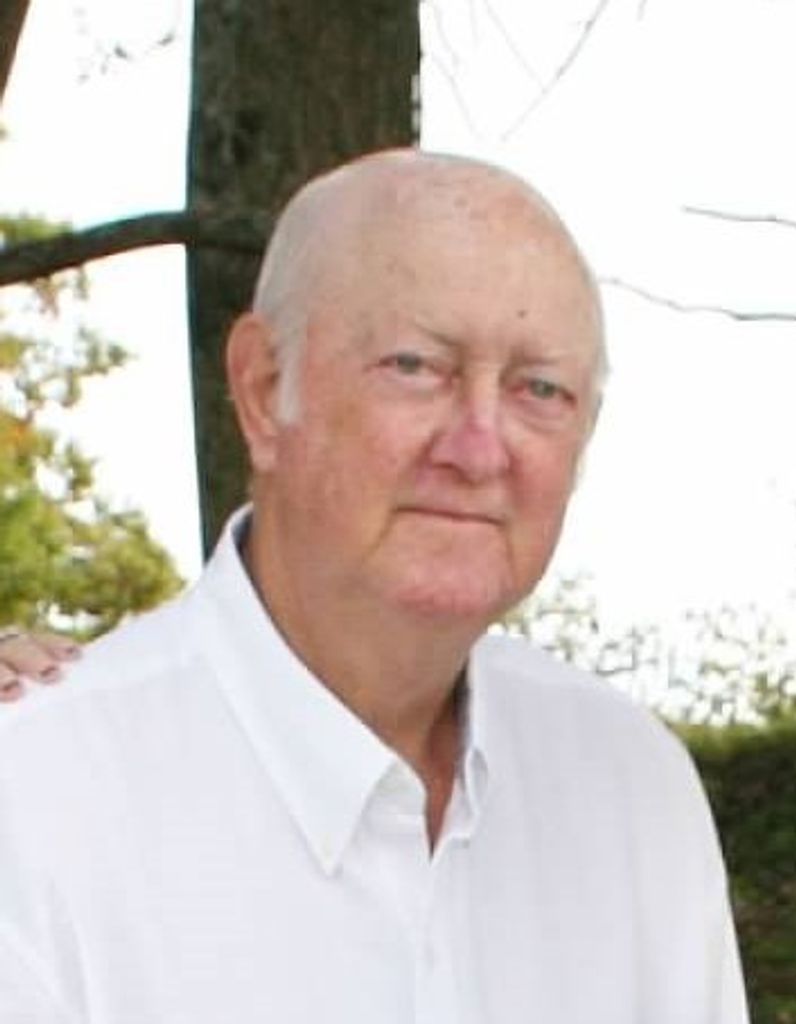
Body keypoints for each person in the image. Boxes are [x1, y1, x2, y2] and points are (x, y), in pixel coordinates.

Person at [0, 150, 748, 1023]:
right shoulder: (37, 796)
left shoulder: (634, 790)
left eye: (540, 388)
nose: (479, 449)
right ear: (263, 389)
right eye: (416, 367)